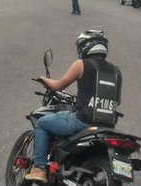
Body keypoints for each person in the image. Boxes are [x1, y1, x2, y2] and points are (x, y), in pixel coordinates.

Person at [25, 30, 122, 183]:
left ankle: (39, 169)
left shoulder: (81, 64)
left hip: (83, 121)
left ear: (85, 47)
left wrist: (45, 80)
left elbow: (58, 86)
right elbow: (118, 101)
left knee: (42, 123)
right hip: (108, 125)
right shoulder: (116, 71)